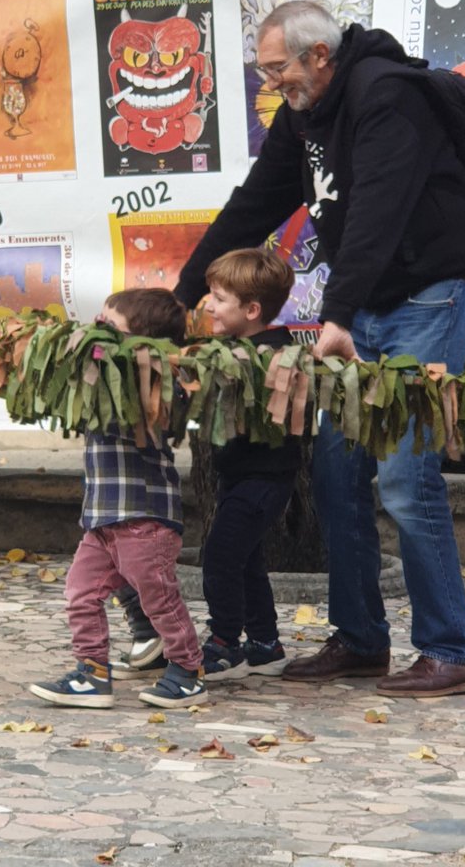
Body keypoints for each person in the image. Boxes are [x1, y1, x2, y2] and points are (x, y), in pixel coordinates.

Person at [174, 0, 465, 698]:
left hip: (431, 293)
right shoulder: (303, 115)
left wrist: (338, 312)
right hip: (370, 303)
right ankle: (359, 640)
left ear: (320, 55)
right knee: (336, 471)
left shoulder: (387, 96)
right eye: (264, 72)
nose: (273, 83)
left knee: (407, 477)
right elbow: (254, 203)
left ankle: (452, 648)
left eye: (278, 68)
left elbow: (379, 211)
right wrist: (181, 296)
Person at [29, 288, 207, 710]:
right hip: (102, 520)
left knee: (158, 597)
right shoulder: (95, 381)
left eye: (108, 326)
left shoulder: (155, 383)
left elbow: (177, 398)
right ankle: (91, 673)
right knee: (79, 592)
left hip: (145, 519)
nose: (96, 331)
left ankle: (188, 671)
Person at [197, 248, 304, 682]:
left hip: (264, 479)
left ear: (252, 309)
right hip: (238, 475)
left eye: (219, 298)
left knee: (220, 558)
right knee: (246, 560)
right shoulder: (233, 349)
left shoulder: (274, 353)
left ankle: (225, 644)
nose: (208, 304)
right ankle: (265, 645)